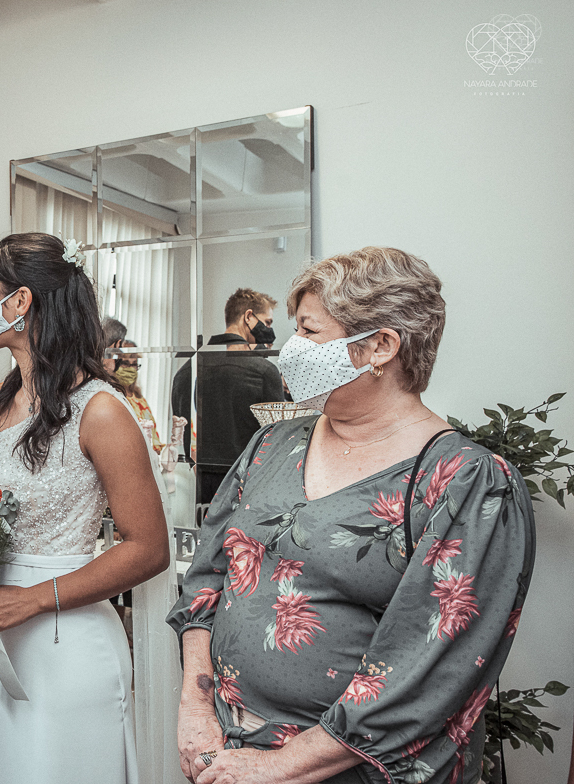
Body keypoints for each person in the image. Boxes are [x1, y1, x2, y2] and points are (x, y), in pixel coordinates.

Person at [168, 246, 535, 784]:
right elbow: (207, 577)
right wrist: (197, 708)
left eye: (310, 333)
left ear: (380, 347)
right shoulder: (271, 444)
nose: (291, 350)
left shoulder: (466, 481)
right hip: (228, 753)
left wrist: (282, 767)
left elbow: (429, 670)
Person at [0, 232, 170, 783]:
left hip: (68, 642)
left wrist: (29, 600)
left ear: (19, 302)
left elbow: (149, 548)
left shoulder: (100, 411)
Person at [172, 287, 285, 504]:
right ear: (249, 317)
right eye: (267, 322)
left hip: (200, 491)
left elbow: (183, 437)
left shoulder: (187, 370)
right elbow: (274, 443)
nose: (270, 330)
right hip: (249, 490)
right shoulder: (263, 372)